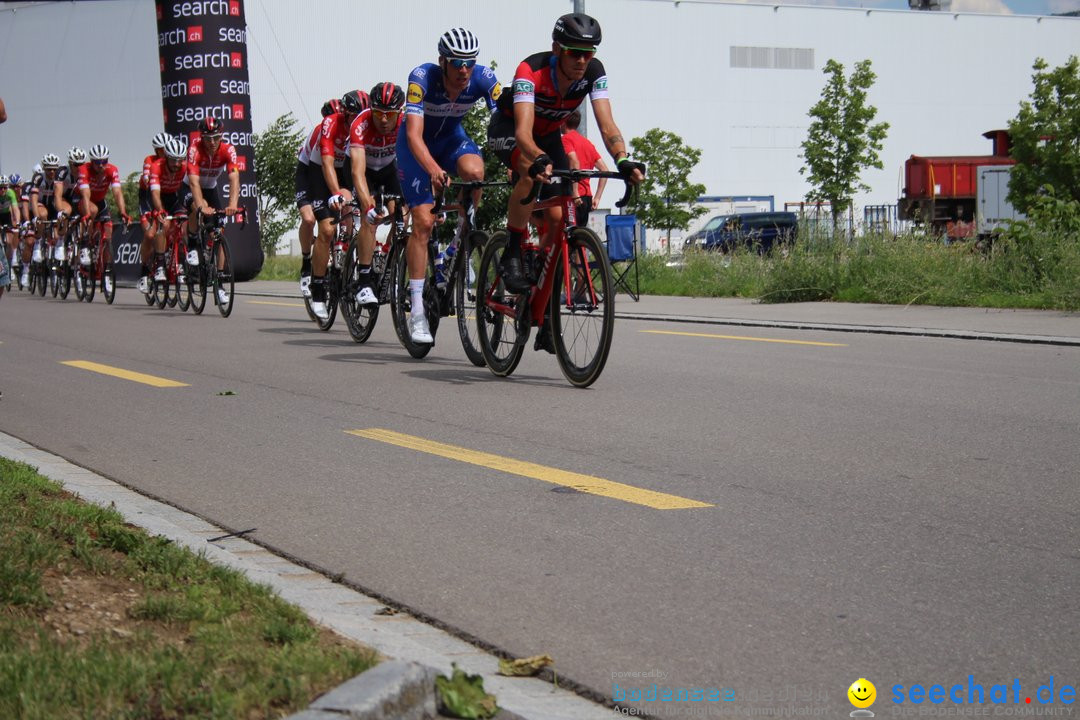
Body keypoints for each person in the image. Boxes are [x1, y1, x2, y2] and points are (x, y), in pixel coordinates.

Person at [488, 12, 645, 307]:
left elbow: (607, 124)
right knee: (529, 171)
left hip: (548, 137)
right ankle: (511, 250)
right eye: (575, 52)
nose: (582, 61)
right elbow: (523, 132)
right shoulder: (530, 70)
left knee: (559, 218)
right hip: (511, 130)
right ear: (557, 48)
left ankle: (543, 300)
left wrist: (623, 159)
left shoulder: (594, 72)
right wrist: (537, 157)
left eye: (588, 53)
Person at [397, 27, 501, 344]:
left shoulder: (484, 78)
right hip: (417, 149)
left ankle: (462, 239)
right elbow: (414, 135)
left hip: (452, 141)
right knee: (424, 222)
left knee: (475, 170)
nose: (464, 70)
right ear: (442, 61)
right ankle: (417, 313)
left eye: (470, 62)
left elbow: (507, 121)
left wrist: (517, 161)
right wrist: (432, 169)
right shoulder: (422, 77)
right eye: (457, 63)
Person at [307, 90, 368, 321]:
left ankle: (348, 254)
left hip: (348, 170)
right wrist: (334, 193)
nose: (358, 121)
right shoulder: (331, 123)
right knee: (327, 229)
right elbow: (327, 163)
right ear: (345, 114)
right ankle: (319, 290)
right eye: (354, 116)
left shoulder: (366, 125)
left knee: (358, 215)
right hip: (321, 172)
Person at [349, 81, 405, 306]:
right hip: (365, 170)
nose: (383, 119)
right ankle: (363, 281)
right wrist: (368, 206)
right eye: (378, 113)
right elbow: (357, 171)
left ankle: (387, 261)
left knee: (403, 213)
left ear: (398, 112)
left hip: (389, 167)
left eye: (389, 114)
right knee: (369, 218)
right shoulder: (360, 124)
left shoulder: (406, 122)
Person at [185, 116, 239, 306]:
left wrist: (232, 204)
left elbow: (234, 179)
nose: (212, 142)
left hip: (211, 187)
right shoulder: (194, 150)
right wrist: (201, 206)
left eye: (216, 137)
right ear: (201, 138)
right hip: (191, 187)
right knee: (196, 208)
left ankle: (220, 284)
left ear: (221, 136)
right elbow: (193, 182)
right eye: (207, 138)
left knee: (219, 231)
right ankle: (192, 244)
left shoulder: (228, 150)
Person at [295, 99, 341, 299]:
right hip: (309, 174)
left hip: (332, 172)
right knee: (309, 219)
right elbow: (319, 170)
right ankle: (306, 263)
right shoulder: (319, 132)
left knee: (345, 213)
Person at [139, 137, 190, 294]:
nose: (176, 164)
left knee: (184, 223)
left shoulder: (184, 167)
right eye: (173, 160)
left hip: (173, 197)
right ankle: (152, 267)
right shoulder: (155, 166)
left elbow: (190, 187)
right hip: (153, 197)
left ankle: (180, 259)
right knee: (153, 232)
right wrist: (159, 210)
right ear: (165, 156)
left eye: (179, 160)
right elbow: (154, 192)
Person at [74, 145, 129, 278]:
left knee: (108, 232)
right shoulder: (84, 169)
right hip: (83, 199)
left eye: (104, 161)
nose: (101, 165)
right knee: (92, 210)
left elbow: (117, 192)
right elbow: (86, 193)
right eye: (97, 162)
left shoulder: (112, 170)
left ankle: (108, 270)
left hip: (100, 200)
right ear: (92, 162)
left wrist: (123, 212)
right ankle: (85, 244)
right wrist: (87, 215)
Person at [560, 110, 608, 227]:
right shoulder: (587, 143)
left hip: (572, 197)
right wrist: (597, 197)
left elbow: (574, 161)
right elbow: (604, 170)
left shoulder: (565, 139)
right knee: (579, 238)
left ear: (563, 122)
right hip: (587, 197)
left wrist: (575, 191)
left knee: (567, 235)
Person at [138, 132, 172, 287]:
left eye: (165, 149)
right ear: (156, 150)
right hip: (148, 197)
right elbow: (146, 178)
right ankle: (144, 271)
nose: (163, 152)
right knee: (150, 235)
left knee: (171, 225)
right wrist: (153, 177)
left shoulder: (173, 162)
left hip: (164, 194)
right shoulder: (150, 160)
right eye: (160, 150)